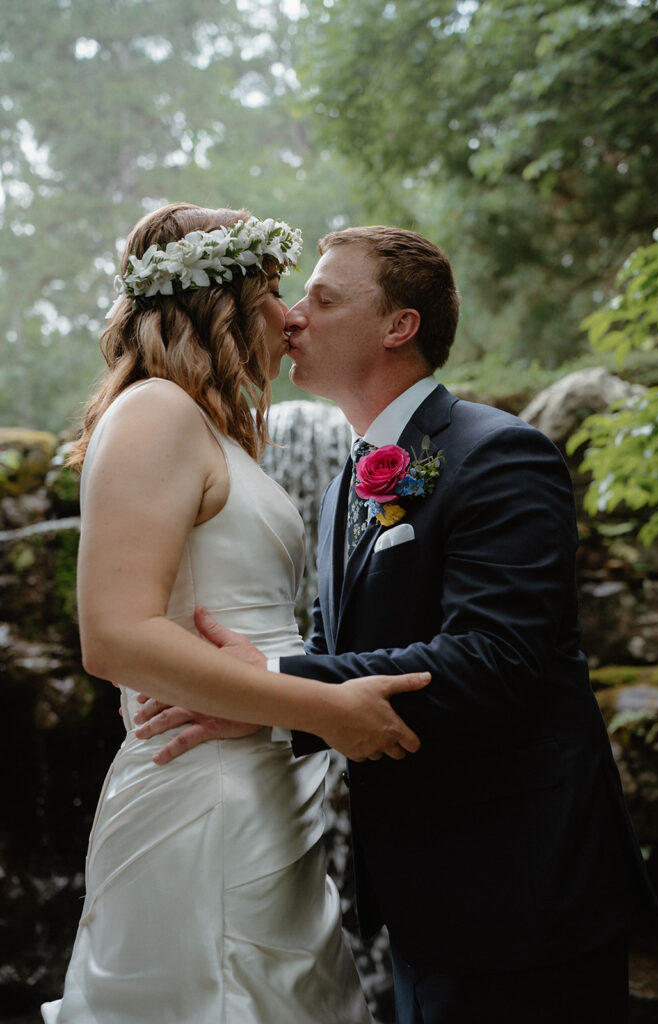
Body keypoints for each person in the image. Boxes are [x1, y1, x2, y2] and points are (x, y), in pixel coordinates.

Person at [137, 225, 658, 1024]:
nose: (291, 318)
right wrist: (269, 695)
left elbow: (493, 658)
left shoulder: (500, 453)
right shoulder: (345, 483)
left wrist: (269, 685)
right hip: (419, 899)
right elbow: (351, 646)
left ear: (398, 325)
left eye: (321, 297)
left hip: (521, 888)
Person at [41, 205, 432, 1024]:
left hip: (263, 782)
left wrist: (296, 705)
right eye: (273, 292)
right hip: (203, 791)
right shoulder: (154, 412)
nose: (289, 316)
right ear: (222, 300)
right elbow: (115, 636)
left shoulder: (214, 431)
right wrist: (325, 709)